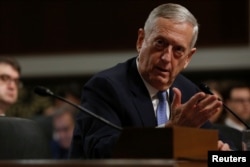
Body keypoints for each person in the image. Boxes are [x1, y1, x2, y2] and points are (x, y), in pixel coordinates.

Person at [69, 3, 231, 159]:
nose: (166, 58)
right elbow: (101, 151)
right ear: (141, 40)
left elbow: (234, 155)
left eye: (178, 50)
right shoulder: (106, 87)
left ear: (188, 57)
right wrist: (170, 133)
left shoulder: (189, 91)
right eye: (160, 43)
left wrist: (223, 157)